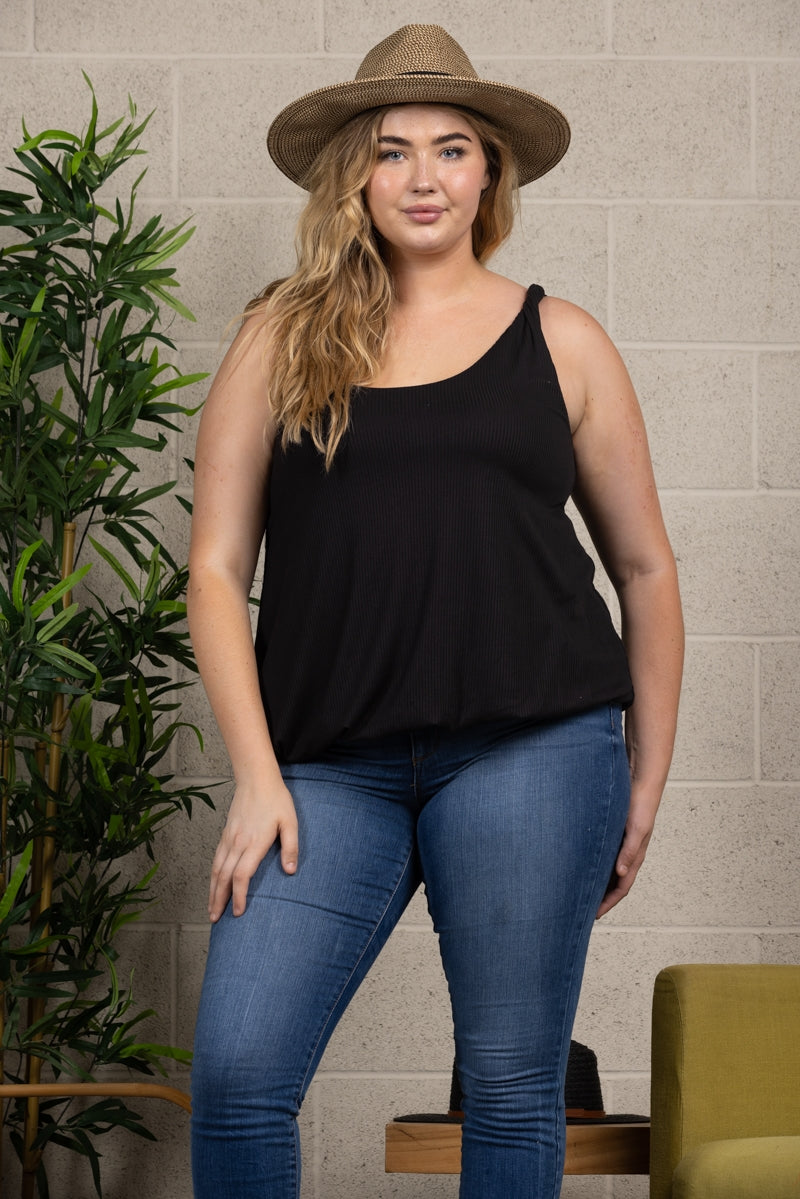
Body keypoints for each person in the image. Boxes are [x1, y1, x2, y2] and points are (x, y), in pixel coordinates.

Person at [186, 24, 683, 1199]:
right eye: (392, 150)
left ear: (487, 173)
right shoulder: (277, 336)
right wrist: (257, 776)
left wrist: (644, 775)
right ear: (352, 174)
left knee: (509, 1086)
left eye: (451, 149)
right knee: (239, 1072)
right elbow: (213, 568)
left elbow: (644, 570)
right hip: (327, 765)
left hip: (534, 748)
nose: (423, 177)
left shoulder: (561, 340)